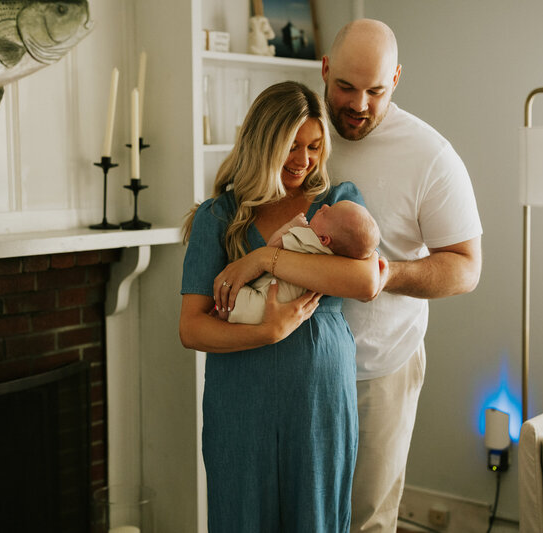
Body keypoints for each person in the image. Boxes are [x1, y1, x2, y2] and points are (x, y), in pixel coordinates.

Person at [179, 80, 383, 532]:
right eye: (291, 145)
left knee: (317, 517)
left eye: (313, 146)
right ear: (262, 142)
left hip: (318, 401)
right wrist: (265, 332)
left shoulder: (336, 204)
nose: (304, 160)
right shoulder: (219, 216)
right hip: (240, 402)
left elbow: (366, 281)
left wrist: (265, 258)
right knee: (241, 517)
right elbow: (191, 329)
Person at [321, 19, 483, 532]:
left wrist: (381, 275)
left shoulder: (431, 156)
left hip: (381, 366)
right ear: (324, 70)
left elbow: (465, 267)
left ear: (396, 79)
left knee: (366, 519)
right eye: (345, 86)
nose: (359, 105)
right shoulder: (296, 128)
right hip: (291, 358)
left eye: (375, 90)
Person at [225, 200, 380, 324]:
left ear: (324, 239)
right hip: (284, 301)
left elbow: (272, 247)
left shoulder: (307, 239)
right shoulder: (338, 258)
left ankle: (223, 312)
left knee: (239, 301)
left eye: (326, 213)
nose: (324, 206)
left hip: (268, 299)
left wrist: (290, 226)